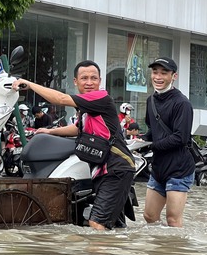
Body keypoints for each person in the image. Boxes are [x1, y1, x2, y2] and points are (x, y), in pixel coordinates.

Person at [12, 60, 135, 231]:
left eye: (94, 78)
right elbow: (78, 128)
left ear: (100, 81)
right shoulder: (86, 106)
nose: (89, 82)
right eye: (84, 78)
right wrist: (50, 132)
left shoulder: (100, 97)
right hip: (103, 169)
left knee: (97, 223)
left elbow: (61, 98)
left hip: (116, 168)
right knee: (115, 227)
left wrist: (30, 85)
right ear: (76, 82)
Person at [142, 57, 195, 228]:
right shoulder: (150, 101)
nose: (158, 77)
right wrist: (140, 141)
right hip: (159, 167)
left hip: (179, 168)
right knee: (149, 216)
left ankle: (175, 252)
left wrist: (153, 145)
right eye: (155, 72)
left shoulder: (182, 104)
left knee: (172, 219)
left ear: (174, 76)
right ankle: (159, 250)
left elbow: (181, 138)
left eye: (164, 73)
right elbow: (153, 130)